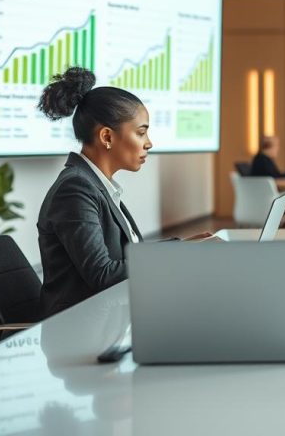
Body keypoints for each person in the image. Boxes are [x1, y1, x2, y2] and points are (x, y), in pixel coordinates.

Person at [36, 67, 209, 318]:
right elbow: (102, 275)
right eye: (141, 132)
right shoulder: (75, 189)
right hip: (82, 331)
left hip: (109, 318)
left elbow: (129, 255)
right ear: (107, 136)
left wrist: (180, 247)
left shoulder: (95, 184)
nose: (149, 143)